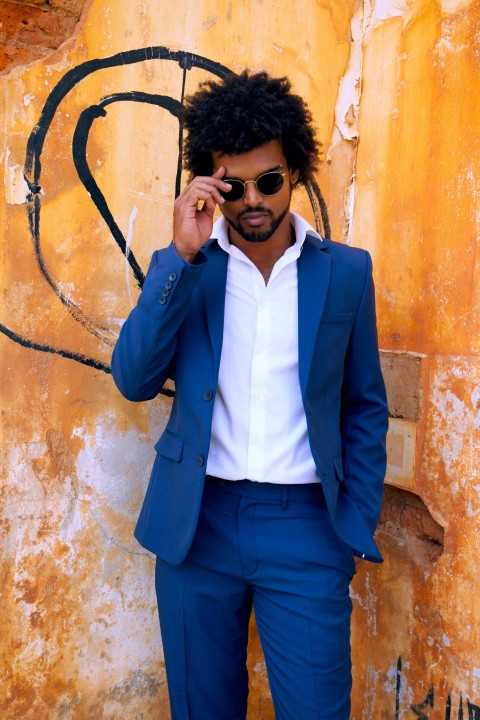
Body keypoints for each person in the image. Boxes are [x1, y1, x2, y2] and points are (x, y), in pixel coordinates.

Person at [111, 70, 388, 720]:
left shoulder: (346, 274)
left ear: (294, 171)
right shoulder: (189, 269)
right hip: (197, 524)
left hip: (306, 529)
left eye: (269, 181)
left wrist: (354, 519)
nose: (253, 200)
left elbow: (363, 403)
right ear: (212, 182)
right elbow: (134, 378)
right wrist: (179, 255)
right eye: (234, 186)